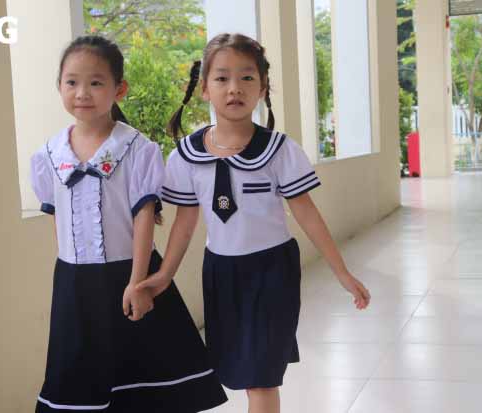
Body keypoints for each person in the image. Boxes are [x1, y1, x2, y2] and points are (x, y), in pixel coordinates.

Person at [136, 33, 370, 413]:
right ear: (203, 89)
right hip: (221, 272)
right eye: (222, 78)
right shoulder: (185, 156)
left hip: (272, 271)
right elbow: (184, 223)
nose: (234, 88)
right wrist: (164, 276)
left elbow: (307, 213)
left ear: (263, 88)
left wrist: (341, 272)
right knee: (239, 372)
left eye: (247, 78)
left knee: (261, 375)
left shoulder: (280, 151)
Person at [30, 35, 227, 413]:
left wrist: (138, 283)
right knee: (78, 382)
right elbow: (58, 220)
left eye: (96, 82)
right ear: (59, 87)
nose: (82, 92)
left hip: (129, 277)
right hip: (74, 285)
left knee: (142, 383)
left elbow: (143, 220)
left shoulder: (137, 149)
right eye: (71, 82)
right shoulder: (49, 155)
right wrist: (69, 278)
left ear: (119, 88)